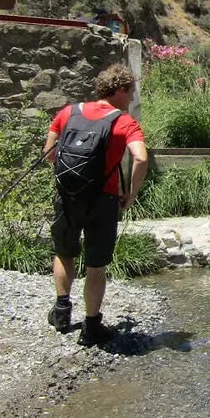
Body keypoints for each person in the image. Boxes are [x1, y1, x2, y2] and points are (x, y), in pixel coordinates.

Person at [42, 63, 148, 346]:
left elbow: (49, 155)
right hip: (103, 200)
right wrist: (132, 193)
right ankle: (91, 327)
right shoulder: (124, 122)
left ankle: (62, 311)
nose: (132, 99)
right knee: (95, 265)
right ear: (121, 90)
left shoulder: (68, 113)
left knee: (64, 252)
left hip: (66, 197)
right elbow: (140, 158)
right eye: (131, 93)